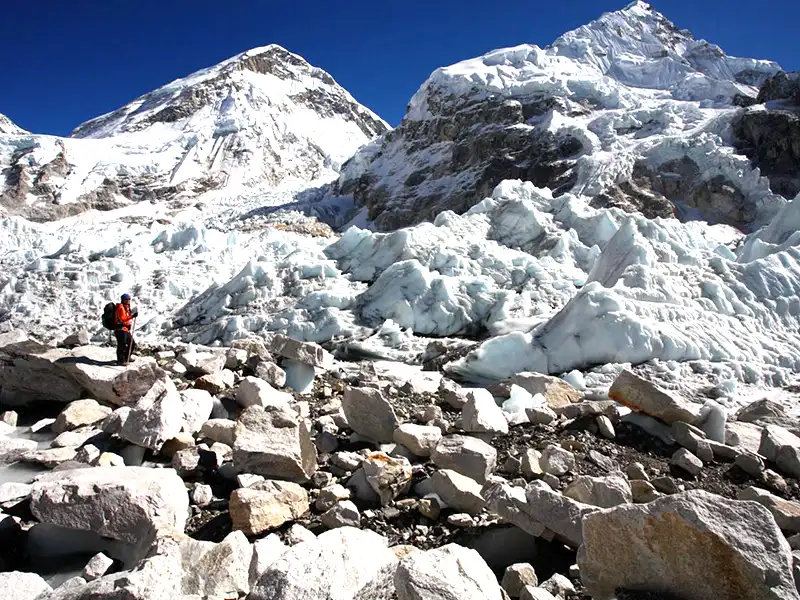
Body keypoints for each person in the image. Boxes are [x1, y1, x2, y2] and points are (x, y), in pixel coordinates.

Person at [114, 293, 139, 366]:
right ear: (123, 300)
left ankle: (126, 357)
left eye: (129, 299)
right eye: (126, 299)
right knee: (122, 345)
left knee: (132, 343)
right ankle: (121, 360)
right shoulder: (120, 308)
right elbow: (122, 319)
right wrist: (132, 316)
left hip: (125, 329)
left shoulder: (126, 307)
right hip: (120, 329)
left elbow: (125, 317)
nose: (128, 300)